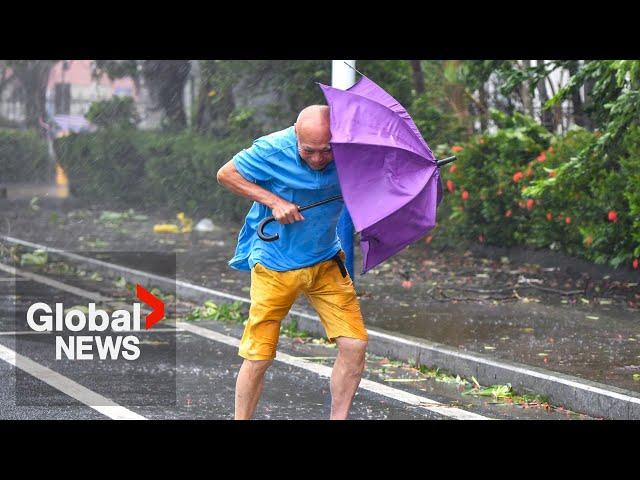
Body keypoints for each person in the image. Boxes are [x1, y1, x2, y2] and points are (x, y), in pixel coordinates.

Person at [216, 105, 368, 420]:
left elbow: (379, 177)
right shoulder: (272, 149)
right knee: (259, 356)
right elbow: (226, 174)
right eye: (308, 151)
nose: (317, 159)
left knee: (354, 346)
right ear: (295, 135)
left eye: (326, 151)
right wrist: (274, 201)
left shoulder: (352, 152)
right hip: (274, 264)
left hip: (327, 261)